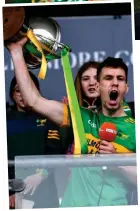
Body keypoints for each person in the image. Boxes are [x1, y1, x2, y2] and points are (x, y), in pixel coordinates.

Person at [7, 37, 136, 206]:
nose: (114, 83)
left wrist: (117, 162)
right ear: (98, 85)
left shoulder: (134, 129)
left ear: (126, 87)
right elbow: (34, 100)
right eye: (108, 78)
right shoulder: (80, 117)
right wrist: (16, 52)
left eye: (120, 79)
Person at [7, 72, 60, 209]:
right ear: (12, 94)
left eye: (28, 89)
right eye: (19, 90)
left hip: (44, 187)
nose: (23, 94)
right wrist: (9, 191)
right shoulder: (5, 120)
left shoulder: (48, 117)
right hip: (13, 191)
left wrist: (41, 175)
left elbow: (55, 153)